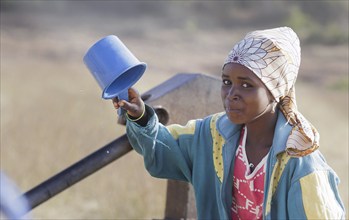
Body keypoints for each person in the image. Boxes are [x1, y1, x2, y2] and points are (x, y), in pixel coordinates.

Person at [112, 27, 345, 219]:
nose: (231, 94)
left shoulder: (300, 161)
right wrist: (141, 116)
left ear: (276, 91)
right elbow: (165, 150)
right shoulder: (212, 135)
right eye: (226, 81)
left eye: (246, 85)